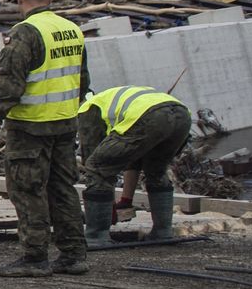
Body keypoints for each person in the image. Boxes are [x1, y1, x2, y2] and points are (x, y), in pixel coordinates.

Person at [0, 0, 90, 277]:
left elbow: (9, 82)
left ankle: (35, 256)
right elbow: (83, 80)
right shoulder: (72, 29)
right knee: (63, 188)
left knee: (28, 189)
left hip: (30, 126)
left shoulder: (25, 32)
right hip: (65, 122)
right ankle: (73, 254)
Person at [80, 85, 192, 247]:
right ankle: (163, 232)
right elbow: (133, 156)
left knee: (96, 166)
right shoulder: (114, 99)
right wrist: (126, 200)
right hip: (181, 116)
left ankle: (96, 236)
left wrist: (106, 208)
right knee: (156, 169)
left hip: (150, 116)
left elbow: (95, 164)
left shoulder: (88, 108)